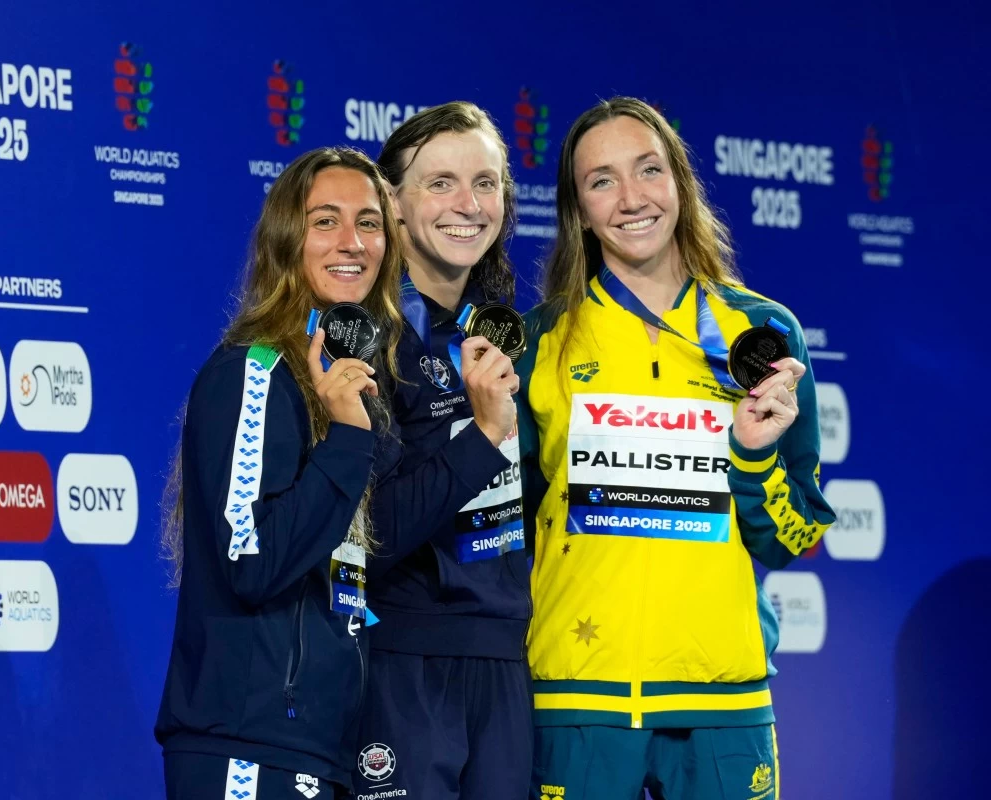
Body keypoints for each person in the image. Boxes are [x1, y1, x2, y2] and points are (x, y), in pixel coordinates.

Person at [516, 97, 836, 800]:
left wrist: (751, 456)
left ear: (681, 184)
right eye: (602, 181)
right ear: (578, 210)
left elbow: (795, 536)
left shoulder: (762, 332)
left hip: (723, 703)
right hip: (581, 701)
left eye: (648, 170)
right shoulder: (543, 339)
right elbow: (502, 531)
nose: (631, 199)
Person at [154, 146, 405, 800]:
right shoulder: (253, 372)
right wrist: (349, 438)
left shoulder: (355, 388)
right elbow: (251, 559)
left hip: (320, 751)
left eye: (369, 222)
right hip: (249, 751)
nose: (352, 241)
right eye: (326, 221)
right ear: (287, 241)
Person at [351, 101, 532, 800]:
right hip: (404, 659)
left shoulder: (512, 335)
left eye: (486, 184)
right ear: (391, 203)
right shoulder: (360, 340)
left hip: (507, 664)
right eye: (441, 183)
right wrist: (483, 437)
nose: (469, 205)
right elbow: (372, 532)